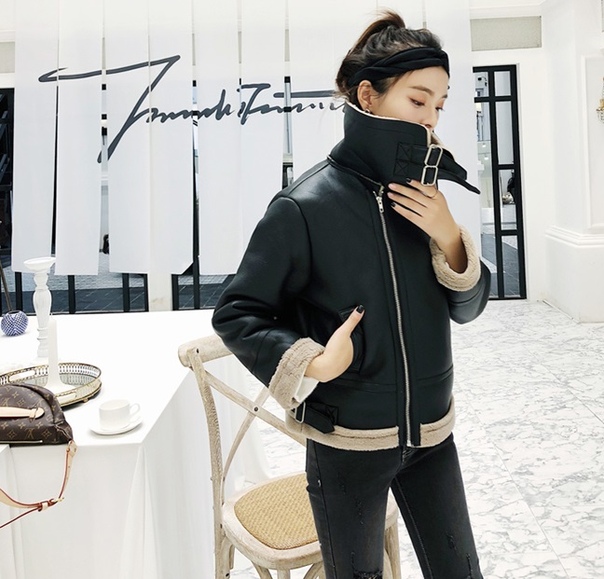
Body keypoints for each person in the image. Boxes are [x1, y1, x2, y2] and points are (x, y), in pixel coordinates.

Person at [212, 10, 490, 579]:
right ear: (368, 95)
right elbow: (237, 313)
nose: (431, 118)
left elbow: (466, 309)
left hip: (433, 432)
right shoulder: (304, 206)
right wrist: (311, 361)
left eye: (440, 105)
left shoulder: (425, 197)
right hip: (349, 445)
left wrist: (448, 236)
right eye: (418, 100)